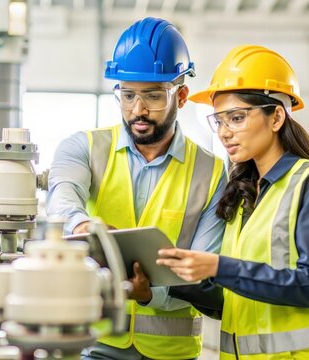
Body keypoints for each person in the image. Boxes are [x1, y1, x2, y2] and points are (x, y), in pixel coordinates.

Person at [157, 45, 309, 359]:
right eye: (219, 121)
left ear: (276, 117)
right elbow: (233, 302)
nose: (224, 133)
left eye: (236, 118)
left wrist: (219, 266)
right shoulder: (244, 196)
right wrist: (167, 282)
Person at [45, 17, 227, 360]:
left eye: (153, 96)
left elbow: (202, 278)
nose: (138, 110)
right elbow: (62, 200)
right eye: (127, 95)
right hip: (94, 342)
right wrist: (84, 226)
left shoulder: (212, 171)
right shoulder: (83, 148)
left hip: (171, 351)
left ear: (182, 95)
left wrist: (149, 294)